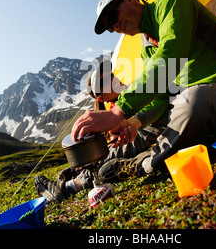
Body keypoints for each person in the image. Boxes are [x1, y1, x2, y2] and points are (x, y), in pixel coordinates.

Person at [71, 0, 216, 183]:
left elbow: (171, 57)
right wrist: (134, 122)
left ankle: (147, 164)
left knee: (190, 101)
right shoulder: (147, 49)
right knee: (168, 112)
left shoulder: (170, 4)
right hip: (208, 100)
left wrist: (119, 112)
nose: (115, 26)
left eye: (112, 16)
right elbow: (162, 95)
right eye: (109, 26)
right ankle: (87, 175)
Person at [34, 61, 169, 203]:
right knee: (107, 153)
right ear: (101, 98)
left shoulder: (134, 88)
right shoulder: (110, 110)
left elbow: (159, 102)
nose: (113, 79)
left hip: (149, 129)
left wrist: (132, 121)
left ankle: (68, 187)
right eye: (105, 82)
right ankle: (76, 177)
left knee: (108, 157)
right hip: (144, 131)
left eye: (111, 75)